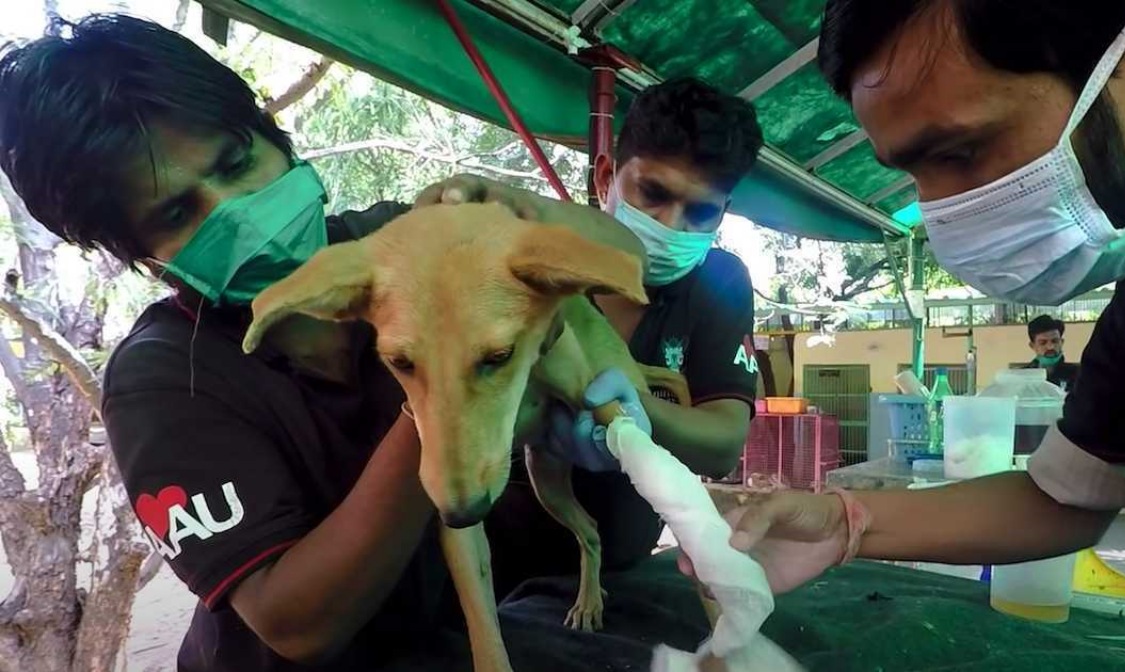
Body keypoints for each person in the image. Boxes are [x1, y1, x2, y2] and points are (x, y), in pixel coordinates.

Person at [0, 14, 649, 672]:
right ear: (145, 259)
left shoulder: (399, 245)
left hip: (446, 640)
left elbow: (627, 259)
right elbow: (296, 625)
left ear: (275, 139)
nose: (236, 208)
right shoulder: (164, 380)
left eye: (235, 161)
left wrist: (513, 208)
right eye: (176, 212)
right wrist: (443, 382)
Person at [687, 1, 1125, 669]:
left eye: (961, 152)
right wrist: (839, 522)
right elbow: (1064, 496)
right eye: (913, 175)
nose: (942, 224)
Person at [467, 77, 764, 599]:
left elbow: (722, 444)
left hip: (619, 581)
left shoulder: (719, 284)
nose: (671, 225)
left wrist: (638, 414)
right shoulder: (530, 264)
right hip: (488, 563)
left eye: (701, 212)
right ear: (606, 176)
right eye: (653, 193)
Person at [1023, 315, 1080, 392]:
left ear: (1062, 342)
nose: (1050, 347)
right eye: (1043, 343)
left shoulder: (1079, 374)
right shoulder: (1024, 376)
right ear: (1032, 346)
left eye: (1055, 341)